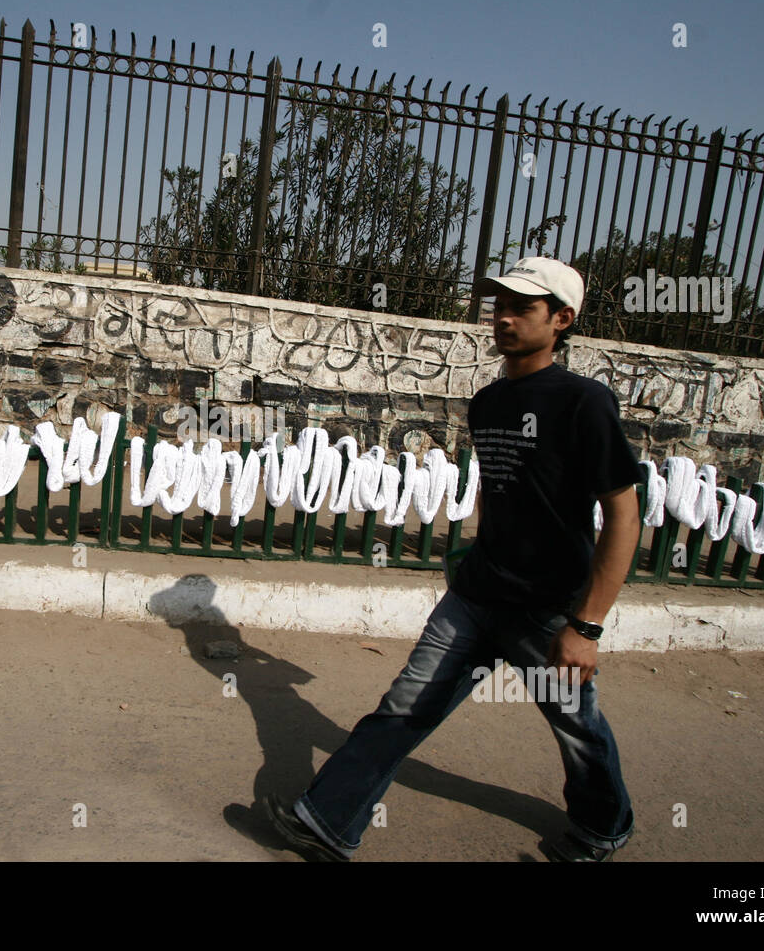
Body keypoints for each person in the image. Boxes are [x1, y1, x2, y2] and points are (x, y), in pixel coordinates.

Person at [267, 256, 642, 862]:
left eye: (524, 306)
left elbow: (624, 514)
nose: (505, 316)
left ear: (563, 319)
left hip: (549, 609)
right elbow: (504, 494)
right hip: (476, 594)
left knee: (576, 730)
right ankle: (329, 821)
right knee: (405, 707)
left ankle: (604, 827)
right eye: (501, 303)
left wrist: (586, 626)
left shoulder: (585, 402)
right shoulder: (489, 401)